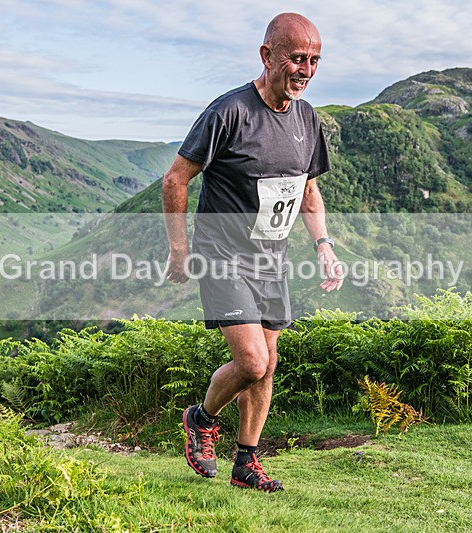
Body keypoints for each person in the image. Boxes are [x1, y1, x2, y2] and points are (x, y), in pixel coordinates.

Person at [163, 12, 343, 492]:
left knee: (269, 360)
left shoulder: (308, 119)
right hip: (222, 254)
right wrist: (179, 250)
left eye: (314, 61)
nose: (305, 69)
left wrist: (323, 245)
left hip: (272, 259)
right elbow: (175, 179)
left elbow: (308, 192)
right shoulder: (229, 112)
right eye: (296, 59)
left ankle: (246, 460)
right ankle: (201, 418)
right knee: (252, 362)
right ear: (267, 56)